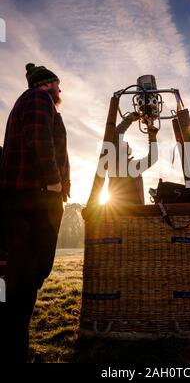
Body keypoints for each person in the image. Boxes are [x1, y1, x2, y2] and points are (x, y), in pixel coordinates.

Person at [0, 63, 70, 362]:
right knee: (27, 275)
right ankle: (14, 351)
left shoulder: (29, 102)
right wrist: (54, 183)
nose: (60, 90)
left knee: (22, 276)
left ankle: (15, 346)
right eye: (58, 84)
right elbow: (40, 140)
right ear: (49, 82)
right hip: (34, 199)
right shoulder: (38, 98)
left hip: (28, 199)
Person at [109, 112, 158, 205]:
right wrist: (152, 138)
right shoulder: (129, 166)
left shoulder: (116, 164)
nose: (125, 143)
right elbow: (153, 158)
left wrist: (129, 119)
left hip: (118, 211)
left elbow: (117, 135)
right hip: (133, 211)